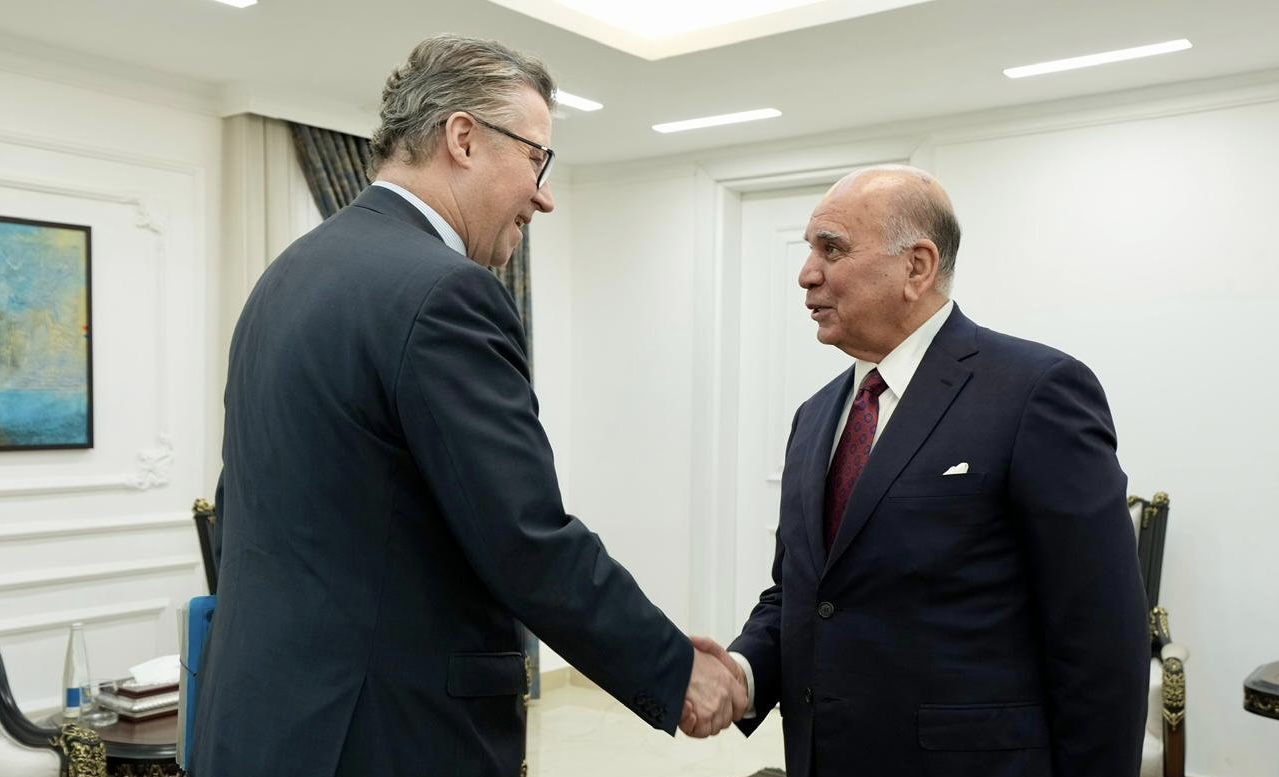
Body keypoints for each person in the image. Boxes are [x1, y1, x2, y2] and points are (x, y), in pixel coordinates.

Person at [191, 34, 744, 777]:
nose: (543, 195)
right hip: (386, 735)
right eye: (537, 159)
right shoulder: (446, 292)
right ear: (463, 139)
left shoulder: (284, 276)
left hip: (263, 723)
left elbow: (247, 507)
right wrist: (674, 668)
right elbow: (523, 536)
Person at [710, 165, 1149, 776]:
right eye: (810, 250)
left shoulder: (1035, 392)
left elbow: (1101, 637)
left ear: (917, 266)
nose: (806, 273)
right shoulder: (814, 418)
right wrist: (742, 673)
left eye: (831, 249)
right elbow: (803, 594)